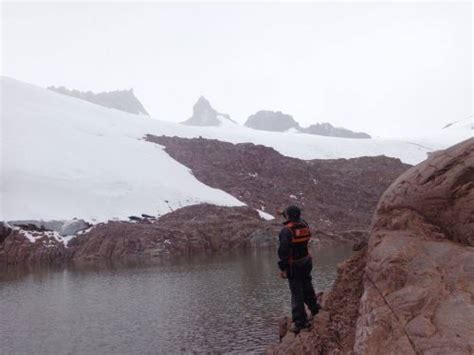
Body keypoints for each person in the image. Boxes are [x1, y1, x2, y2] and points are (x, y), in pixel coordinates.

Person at [277, 205, 321, 333]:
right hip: (306, 262)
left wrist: (283, 268)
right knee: (307, 286)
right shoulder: (304, 224)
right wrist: (283, 214)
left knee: (297, 294)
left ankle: (300, 322)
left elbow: (283, 252)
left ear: (289, 216)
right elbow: (295, 220)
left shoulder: (286, 231)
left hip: (294, 265)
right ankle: (315, 309)